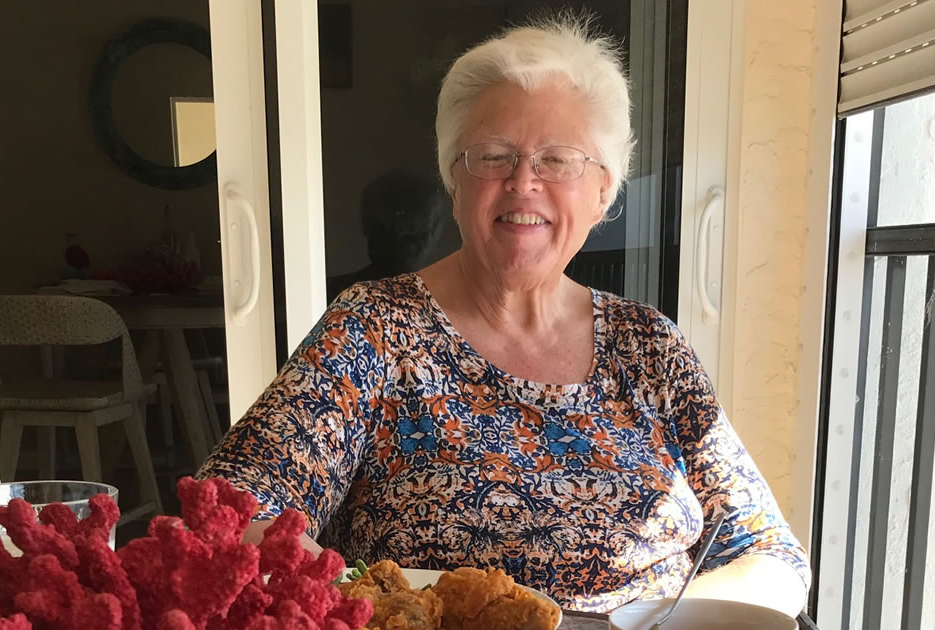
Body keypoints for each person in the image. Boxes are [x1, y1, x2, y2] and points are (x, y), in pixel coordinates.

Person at [198, 15, 810, 615]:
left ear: (603, 192)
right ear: (454, 181)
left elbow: (770, 556)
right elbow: (230, 509)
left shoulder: (650, 346)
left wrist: (652, 624)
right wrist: (353, 605)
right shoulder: (375, 330)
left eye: (559, 160)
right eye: (493, 155)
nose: (524, 182)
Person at [326, 168, 446, 302]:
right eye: (389, 225)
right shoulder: (330, 296)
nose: (401, 232)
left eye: (416, 231)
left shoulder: (449, 303)